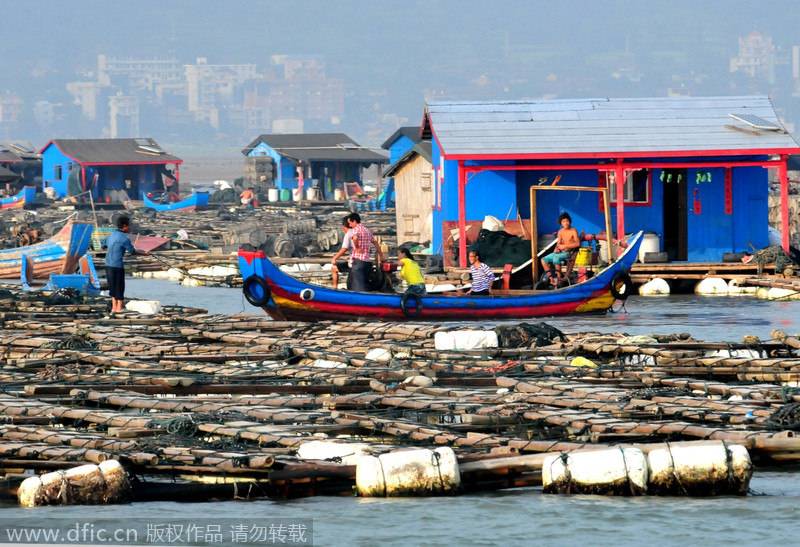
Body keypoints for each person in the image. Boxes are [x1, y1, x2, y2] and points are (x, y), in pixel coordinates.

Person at [101, 215, 141, 313]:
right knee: (119, 286)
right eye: (129, 225)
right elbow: (132, 251)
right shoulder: (124, 238)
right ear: (124, 226)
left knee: (112, 286)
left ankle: (114, 308)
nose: (130, 227)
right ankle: (119, 308)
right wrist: (145, 253)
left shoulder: (112, 235)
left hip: (108, 264)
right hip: (117, 266)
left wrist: (109, 249)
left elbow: (103, 243)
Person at [347, 212, 385, 291]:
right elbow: (376, 243)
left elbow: (355, 238)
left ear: (354, 221)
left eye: (350, 223)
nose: (350, 226)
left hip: (358, 261)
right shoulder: (367, 231)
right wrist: (381, 255)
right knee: (365, 282)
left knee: (358, 286)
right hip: (367, 261)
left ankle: (359, 301)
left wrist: (357, 247)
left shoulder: (356, 230)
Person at [540, 212, 580, 286]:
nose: (566, 223)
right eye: (563, 222)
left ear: (570, 221)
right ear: (561, 223)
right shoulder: (560, 232)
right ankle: (551, 279)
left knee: (556, 258)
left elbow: (577, 244)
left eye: (567, 221)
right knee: (543, 260)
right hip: (560, 252)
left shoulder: (573, 230)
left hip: (568, 253)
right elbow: (558, 244)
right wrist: (556, 249)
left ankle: (559, 280)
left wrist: (565, 246)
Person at [329, 216, 354, 288]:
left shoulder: (348, 234)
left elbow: (344, 248)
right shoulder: (358, 232)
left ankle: (335, 287)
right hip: (361, 260)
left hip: (354, 263)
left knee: (334, 268)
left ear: (344, 226)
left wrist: (335, 258)